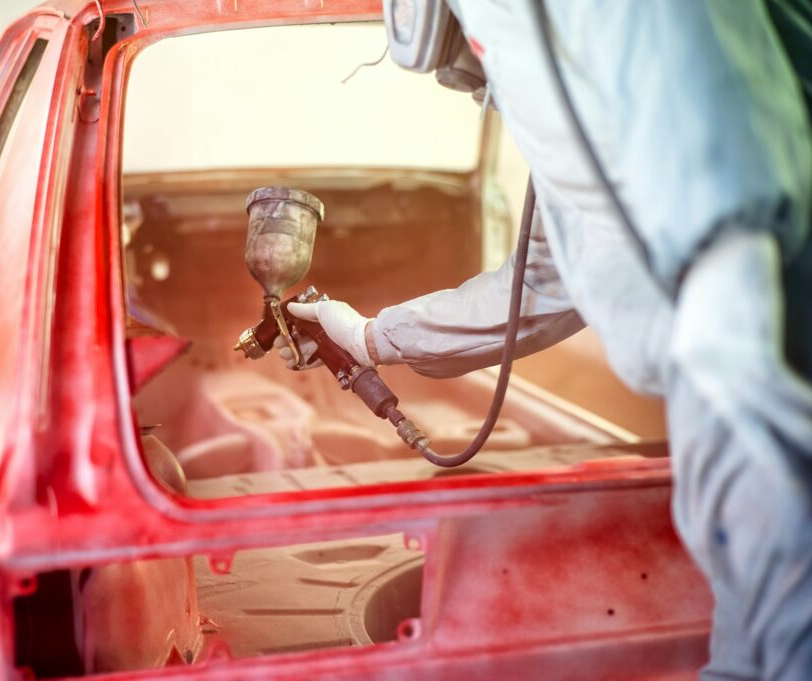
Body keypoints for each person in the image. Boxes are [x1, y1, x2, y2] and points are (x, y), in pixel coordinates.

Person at [279, 2, 812, 679]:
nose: (468, 85)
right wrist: (371, 336)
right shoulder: (551, 66)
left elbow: (719, 189)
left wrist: (735, 408)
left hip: (758, 375)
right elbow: (541, 283)